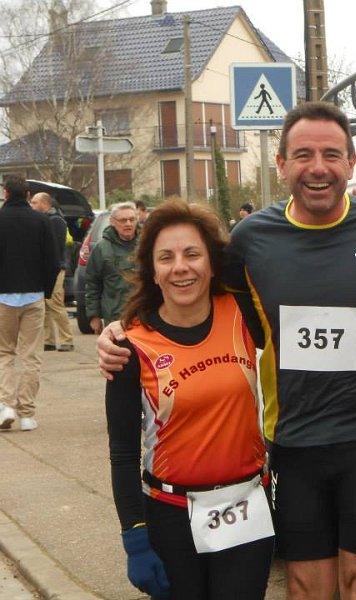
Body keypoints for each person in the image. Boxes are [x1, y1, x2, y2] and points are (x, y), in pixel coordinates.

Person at [98, 101, 356, 599]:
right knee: (305, 585)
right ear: (281, 165)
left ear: (351, 163)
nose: (318, 167)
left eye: (331, 154)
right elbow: (193, 296)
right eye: (303, 155)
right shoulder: (252, 239)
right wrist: (122, 330)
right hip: (292, 440)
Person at [105, 200, 273, 599]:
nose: (180, 267)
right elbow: (123, 452)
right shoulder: (129, 345)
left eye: (192, 254)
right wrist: (134, 535)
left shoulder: (245, 314)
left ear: (212, 264)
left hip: (247, 508)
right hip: (170, 515)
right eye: (166, 257)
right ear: (153, 271)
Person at [0, 175, 59, 432]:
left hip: (3, 296)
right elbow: (53, 261)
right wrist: (45, 290)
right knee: (31, 356)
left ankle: (6, 405)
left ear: (5, 193)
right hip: (34, 295)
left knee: (4, 353)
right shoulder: (41, 221)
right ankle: (27, 413)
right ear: (27, 195)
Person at [85, 201, 139, 334]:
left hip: (144, 315)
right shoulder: (102, 249)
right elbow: (92, 283)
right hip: (115, 317)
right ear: (113, 222)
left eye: (132, 219)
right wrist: (94, 316)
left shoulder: (147, 245)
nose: (128, 224)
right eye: (123, 220)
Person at [30, 192, 74, 352]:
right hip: (44, 268)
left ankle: (66, 339)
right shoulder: (44, 220)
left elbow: (55, 248)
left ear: (45, 203)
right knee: (45, 304)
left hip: (55, 268)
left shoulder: (56, 221)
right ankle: (48, 340)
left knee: (55, 303)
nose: (31, 205)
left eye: (34, 202)